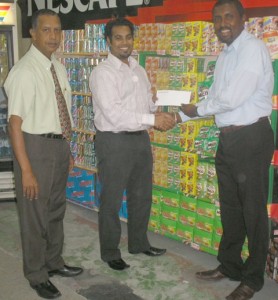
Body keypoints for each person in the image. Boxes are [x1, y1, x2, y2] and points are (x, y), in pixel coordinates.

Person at [178, 1, 274, 299]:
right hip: (229, 138)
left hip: (251, 137)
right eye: (217, 18)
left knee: (253, 210)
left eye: (229, 16)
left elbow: (230, 99)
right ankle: (230, 265)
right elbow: (218, 99)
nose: (222, 23)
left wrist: (191, 112)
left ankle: (253, 278)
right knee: (231, 207)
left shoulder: (252, 49)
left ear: (243, 19)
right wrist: (181, 115)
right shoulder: (224, 56)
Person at [4, 9, 83, 299]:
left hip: (58, 146)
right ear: (33, 33)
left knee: (55, 211)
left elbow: (59, 113)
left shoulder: (57, 67)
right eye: (46, 30)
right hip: (34, 148)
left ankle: (53, 261)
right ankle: (36, 274)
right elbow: (15, 124)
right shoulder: (24, 72)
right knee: (35, 215)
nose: (53, 36)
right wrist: (26, 170)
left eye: (57, 30)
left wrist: (68, 150)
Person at [89, 18, 175, 271]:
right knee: (112, 200)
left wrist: (155, 103)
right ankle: (110, 251)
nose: (124, 42)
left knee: (141, 196)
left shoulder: (138, 69)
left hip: (140, 139)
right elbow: (114, 114)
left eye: (128, 37)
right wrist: (152, 118)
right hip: (114, 141)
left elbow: (145, 107)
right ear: (108, 41)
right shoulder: (102, 73)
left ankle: (139, 243)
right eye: (118, 37)